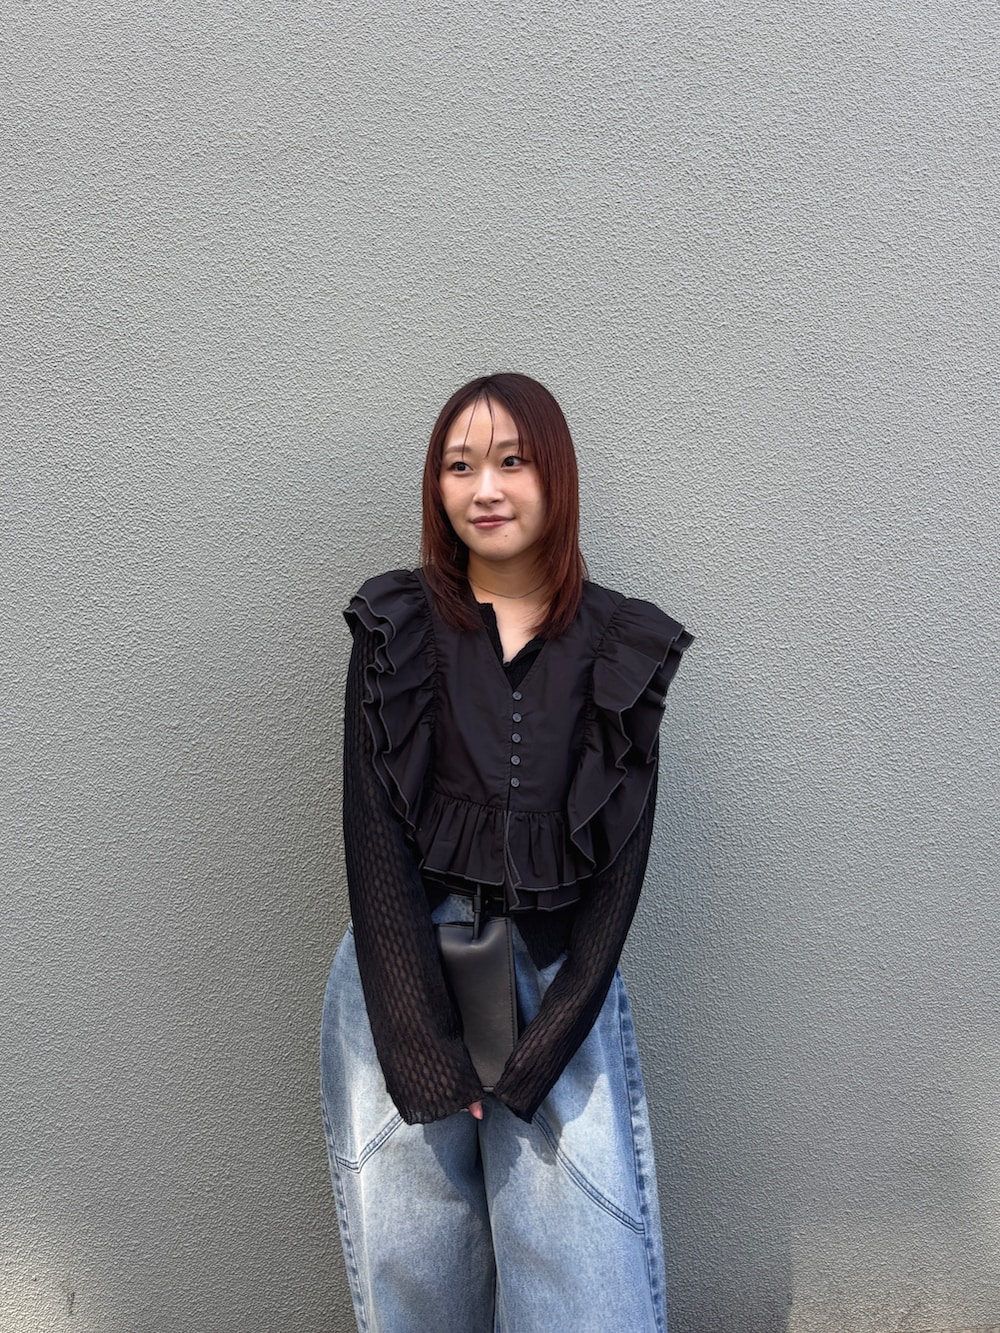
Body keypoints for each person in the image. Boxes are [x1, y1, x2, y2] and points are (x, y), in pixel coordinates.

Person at [320, 373, 692, 1332]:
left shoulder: (623, 643)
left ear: (554, 474)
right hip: (398, 984)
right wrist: (425, 1056)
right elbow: (373, 838)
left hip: (561, 988)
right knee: (418, 1279)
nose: (484, 487)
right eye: (459, 465)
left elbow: (619, 872)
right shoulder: (394, 625)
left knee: (587, 1283)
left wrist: (538, 1055)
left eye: (512, 460)